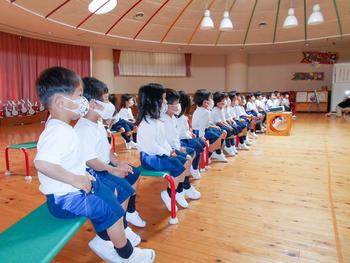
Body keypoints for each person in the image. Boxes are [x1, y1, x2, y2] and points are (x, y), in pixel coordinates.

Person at [34, 67, 155, 263]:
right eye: (79, 95)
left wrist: (82, 175)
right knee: (110, 207)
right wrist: (75, 178)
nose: (84, 102)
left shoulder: (63, 127)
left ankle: (105, 240)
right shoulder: (58, 131)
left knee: (114, 192)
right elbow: (42, 163)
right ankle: (126, 254)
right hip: (64, 200)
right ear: (59, 101)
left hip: (73, 191)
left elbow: (69, 160)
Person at [75, 77, 146, 229]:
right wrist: (113, 170)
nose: (110, 104)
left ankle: (130, 212)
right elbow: (90, 161)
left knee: (134, 173)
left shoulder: (98, 123)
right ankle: (121, 226)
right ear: (93, 103)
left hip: (104, 167)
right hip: (93, 172)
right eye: (106, 100)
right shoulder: (83, 129)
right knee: (123, 189)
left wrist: (118, 162)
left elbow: (107, 150)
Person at [136, 83, 190, 212]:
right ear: (154, 101)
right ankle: (169, 193)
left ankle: (176, 191)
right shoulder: (147, 123)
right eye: (163, 98)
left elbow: (163, 140)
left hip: (159, 154)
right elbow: (152, 146)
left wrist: (170, 150)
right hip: (150, 158)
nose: (165, 101)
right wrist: (168, 153)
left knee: (185, 159)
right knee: (177, 164)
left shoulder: (156, 120)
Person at [161, 88, 201, 204]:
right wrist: (175, 149)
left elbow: (175, 137)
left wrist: (179, 147)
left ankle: (184, 187)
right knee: (186, 158)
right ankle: (180, 189)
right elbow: (165, 139)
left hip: (174, 147)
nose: (179, 105)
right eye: (176, 103)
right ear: (167, 105)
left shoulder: (173, 117)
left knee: (190, 153)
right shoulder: (163, 119)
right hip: (167, 150)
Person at [177, 90, 207, 180]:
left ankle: (194, 166)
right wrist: (189, 135)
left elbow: (185, 130)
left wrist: (190, 133)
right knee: (195, 145)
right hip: (180, 141)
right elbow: (180, 133)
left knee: (200, 142)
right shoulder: (179, 117)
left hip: (184, 138)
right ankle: (193, 168)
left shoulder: (183, 116)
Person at [192, 89, 227, 162]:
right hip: (199, 132)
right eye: (209, 99)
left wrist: (212, 126)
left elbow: (205, 123)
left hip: (199, 130)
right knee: (218, 135)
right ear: (205, 102)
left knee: (220, 131)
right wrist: (201, 137)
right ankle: (209, 155)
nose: (211, 100)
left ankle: (216, 152)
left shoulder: (200, 109)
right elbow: (202, 126)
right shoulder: (205, 112)